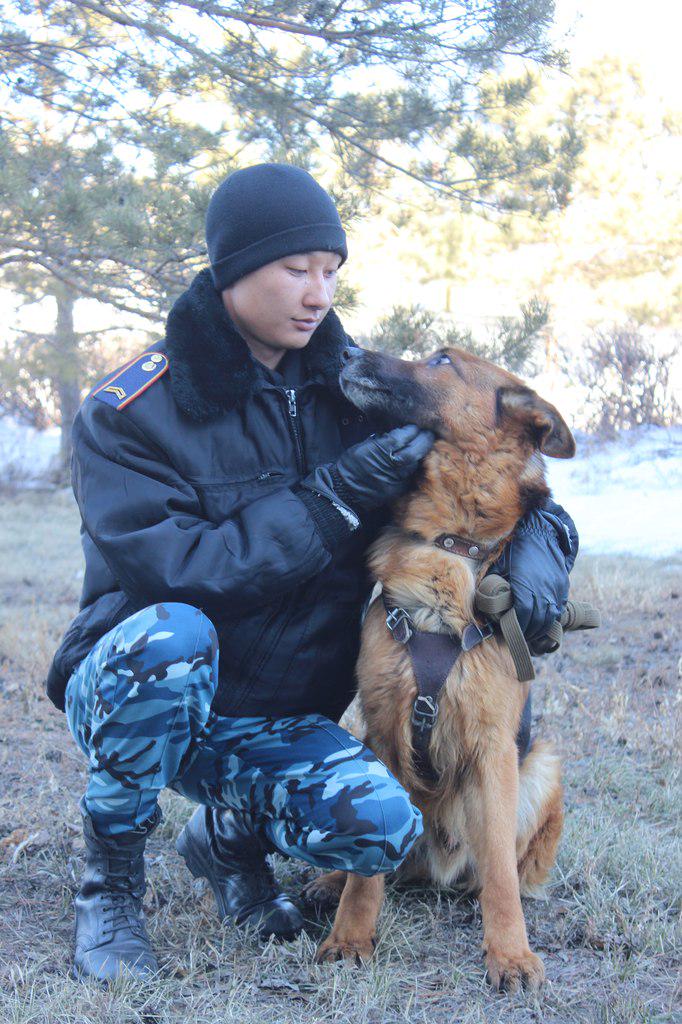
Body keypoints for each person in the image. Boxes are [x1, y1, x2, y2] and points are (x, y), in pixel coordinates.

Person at [45, 163, 579, 984]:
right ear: (232, 269)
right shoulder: (130, 413)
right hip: (152, 696)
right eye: (296, 269)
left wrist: (541, 552)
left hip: (277, 718)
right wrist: (330, 499)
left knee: (379, 825)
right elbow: (179, 573)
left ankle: (229, 837)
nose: (318, 293)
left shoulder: (352, 388)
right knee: (170, 637)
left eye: (331, 271)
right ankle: (110, 886)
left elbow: (496, 471)